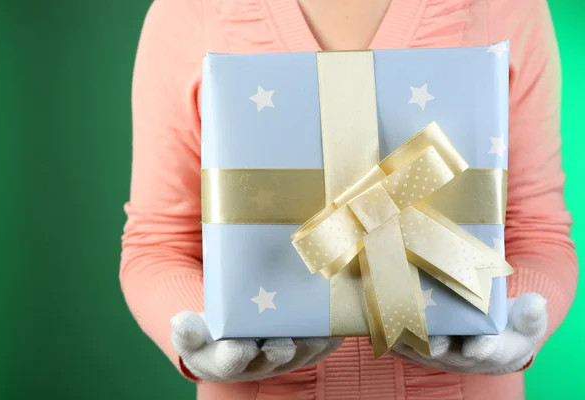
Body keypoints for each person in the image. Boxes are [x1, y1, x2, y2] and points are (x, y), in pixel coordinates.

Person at [119, 0, 578, 398]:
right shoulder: (188, 10)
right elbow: (158, 243)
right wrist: (204, 334)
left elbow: (537, 230)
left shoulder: (508, 6)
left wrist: (513, 324)